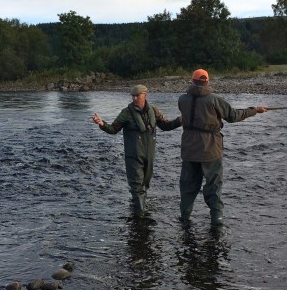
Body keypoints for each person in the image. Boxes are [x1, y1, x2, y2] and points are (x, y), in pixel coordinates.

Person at [178, 69, 268, 226]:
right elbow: (233, 116)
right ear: (207, 81)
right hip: (210, 150)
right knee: (213, 187)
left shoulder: (182, 99)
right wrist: (254, 110)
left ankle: (184, 219)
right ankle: (217, 222)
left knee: (188, 187)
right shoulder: (214, 100)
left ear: (192, 81)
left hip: (189, 150)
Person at [93, 85, 181, 215]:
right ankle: (140, 216)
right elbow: (113, 129)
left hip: (149, 155)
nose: (134, 98)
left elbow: (166, 126)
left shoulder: (154, 111)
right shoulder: (126, 113)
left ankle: (138, 209)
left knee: (145, 184)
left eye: (137, 96)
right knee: (137, 186)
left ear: (145, 95)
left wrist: (180, 120)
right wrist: (101, 124)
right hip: (133, 155)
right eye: (132, 96)